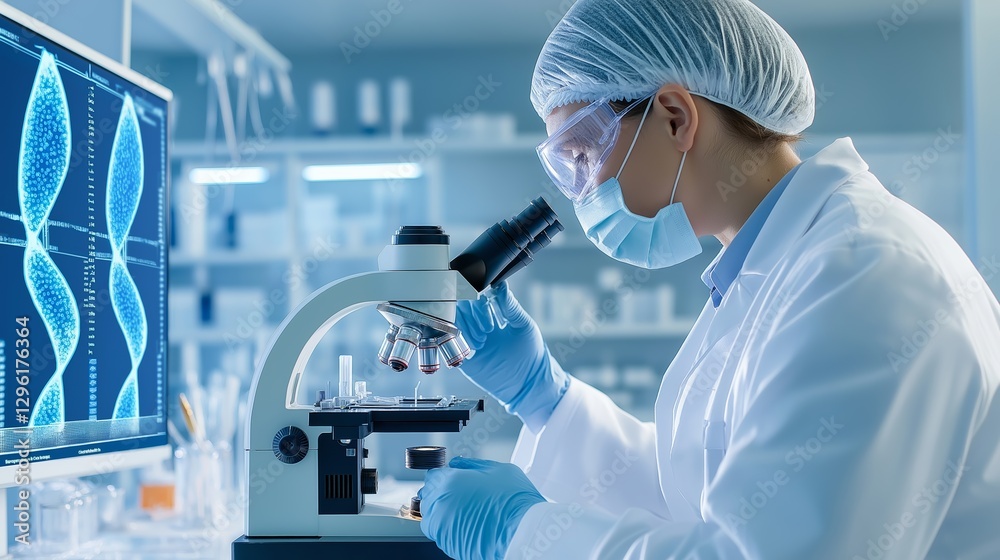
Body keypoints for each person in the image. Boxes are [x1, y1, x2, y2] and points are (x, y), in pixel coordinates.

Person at [417, 0, 1000, 558]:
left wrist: (522, 533)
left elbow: (759, 551)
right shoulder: (766, 269)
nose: (581, 191)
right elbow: (702, 498)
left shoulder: (867, 273)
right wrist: (546, 400)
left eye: (583, 152)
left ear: (675, 118)